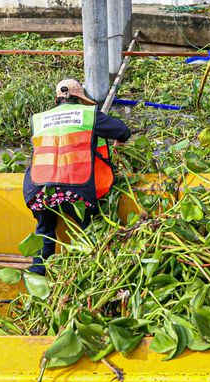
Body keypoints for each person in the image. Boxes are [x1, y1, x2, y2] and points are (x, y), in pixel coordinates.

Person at [23, 79, 131, 275]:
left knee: (45, 228)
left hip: (38, 189)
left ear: (57, 99)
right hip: (75, 189)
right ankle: (92, 270)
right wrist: (117, 148)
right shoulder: (88, 114)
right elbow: (123, 131)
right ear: (80, 98)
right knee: (89, 229)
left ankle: (38, 271)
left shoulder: (39, 118)